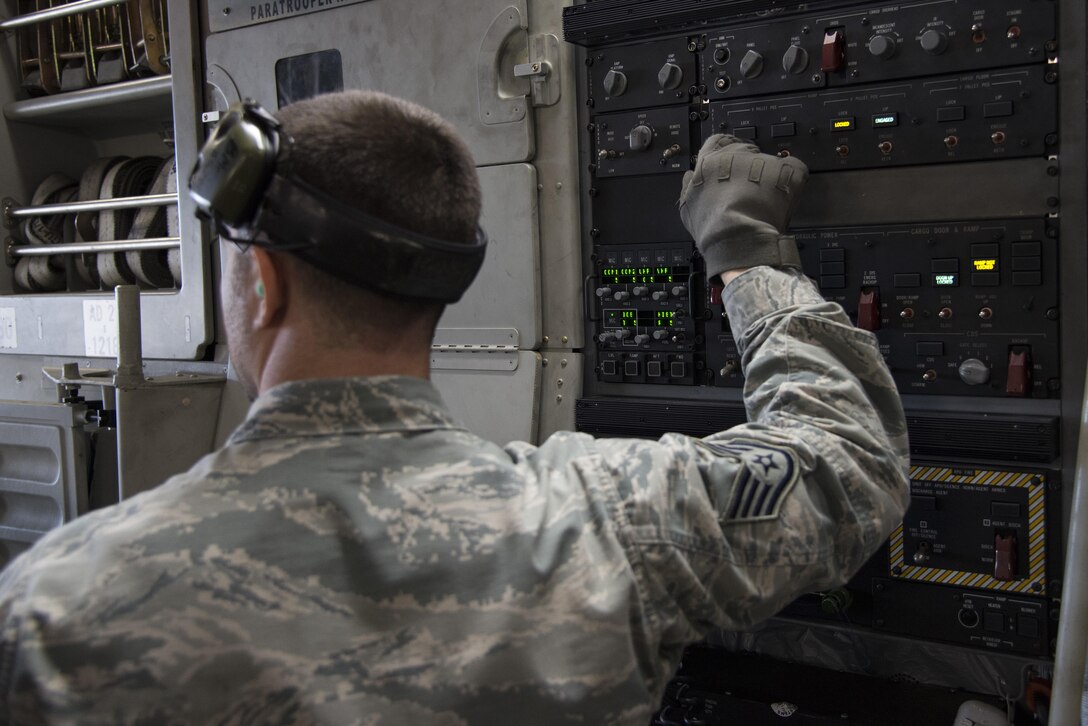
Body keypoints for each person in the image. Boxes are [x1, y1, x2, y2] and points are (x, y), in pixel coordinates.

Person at [0, 90, 909, 724]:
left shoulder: (52, 611)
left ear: (264, 285)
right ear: (439, 290)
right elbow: (847, 460)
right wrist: (746, 256)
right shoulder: (612, 518)